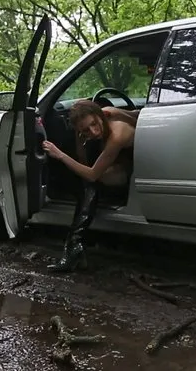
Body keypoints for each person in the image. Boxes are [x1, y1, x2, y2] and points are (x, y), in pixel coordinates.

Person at [41, 100, 138, 272]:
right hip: (120, 163)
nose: (93, 131)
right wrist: (80, 140)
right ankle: (74, 247)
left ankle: (73, 247)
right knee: (87, 181)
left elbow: (92, 174)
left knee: (93, 181)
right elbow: (83, 161)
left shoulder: (117, 132)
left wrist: (60, 155)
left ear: (100, 115)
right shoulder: (94, 129)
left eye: (94, 123)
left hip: (132, 170)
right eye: (85, 129)